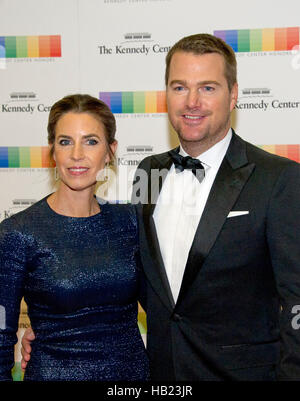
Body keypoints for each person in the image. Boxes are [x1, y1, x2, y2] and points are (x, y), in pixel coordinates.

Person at [22, 34, 300, 381]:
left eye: (208, 88)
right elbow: (132, 275)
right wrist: (54, 326)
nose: (192, 101)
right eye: (179, 87)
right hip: (159, 375)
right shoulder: (148, 172)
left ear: (234, 96)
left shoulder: (278, 179)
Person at [0, 94, 149, 381]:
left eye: (91, 141)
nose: (77, 154)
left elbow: (164, 308)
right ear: (52, 151)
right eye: (65, 141)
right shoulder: (17, 233)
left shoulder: (130, 221)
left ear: (110, 151)